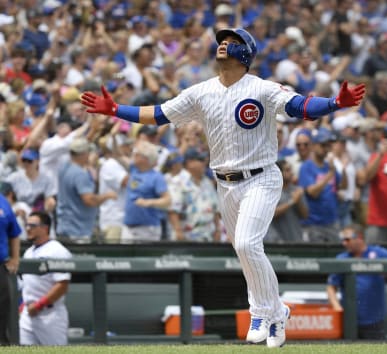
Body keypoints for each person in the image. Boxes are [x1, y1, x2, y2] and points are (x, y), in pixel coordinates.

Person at [81, 27, 365, 348]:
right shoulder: (201, 91)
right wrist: (117, 110)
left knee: (246, 244)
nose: (223, 45)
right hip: (225, 183)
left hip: (261, 177)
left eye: (232, 42)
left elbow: (300, 106)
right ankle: (278, 311)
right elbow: (160, 114)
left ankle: (259, 312)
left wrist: (334, 104)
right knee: (245, 251)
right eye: (221, 41)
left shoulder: (261, 88)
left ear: (246, 53)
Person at [327, 224, 387, 340]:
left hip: (374, 319)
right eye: (343, 240)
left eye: (347, 240)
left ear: (359, 237)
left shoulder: (378, 253)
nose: (344, 243)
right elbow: (331, 286)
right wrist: (337, 307)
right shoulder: (342, 258)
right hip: (348, 319)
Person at [19, 211, 72, 346]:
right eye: (27, 225)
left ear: (45, 228)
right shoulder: (28, 252)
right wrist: (23, 306)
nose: (28, 229)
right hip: (28, 315)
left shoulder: (58, 251)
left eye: (32, 225)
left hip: (50, 314)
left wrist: (39, 305)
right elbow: (27, 284)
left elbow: (62, 285)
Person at [56, 137, 117, 243]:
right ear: (82, 154)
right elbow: (89, 200)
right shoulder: (80, 174)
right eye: (88, 152)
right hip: (78, 231)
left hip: (64, 226)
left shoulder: (64, 168)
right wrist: (107, 196)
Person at [168, 147, 221, 242]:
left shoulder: (207, 182)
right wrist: (178, 231)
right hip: (187, 238)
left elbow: (215, 209)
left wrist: (218, 230)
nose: (204, 163)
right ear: (189, 163)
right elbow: (173, 210)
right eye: (200, 160)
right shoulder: (177, 182)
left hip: (209, 237)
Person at [266, 159, 308, 242]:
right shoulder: (271, 191)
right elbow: (270, 214)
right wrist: (292, 201)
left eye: (291, 169)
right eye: (287, 170)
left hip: (296, 238)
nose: (291, 173)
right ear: (279, 173)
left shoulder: (297, 190)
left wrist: (298, 201)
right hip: (277, 240)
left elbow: (305, 215)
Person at [0, 192, 21, 345]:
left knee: (2, 306)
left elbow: (14, 232)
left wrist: (15, 258)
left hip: (0, 265)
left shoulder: (3, 202)